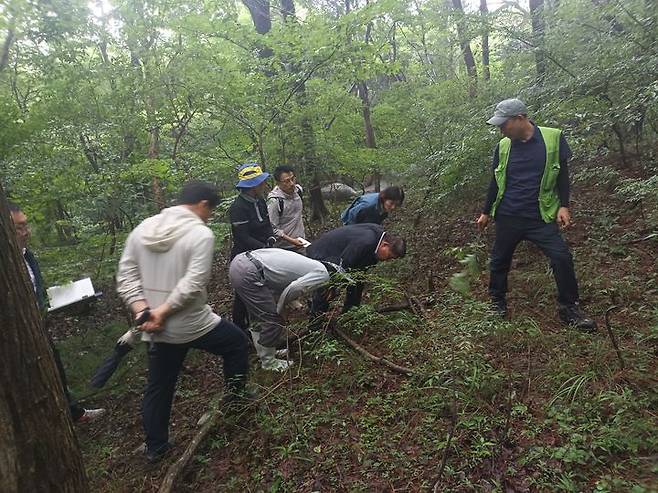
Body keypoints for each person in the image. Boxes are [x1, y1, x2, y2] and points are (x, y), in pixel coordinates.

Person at [116, 181, 250, 462]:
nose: (209, 216)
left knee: (159, 385)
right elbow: (193, 284)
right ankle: (237, 401)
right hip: (192, 323)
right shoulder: (200, 234)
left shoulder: (143, 228)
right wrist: (162, 312)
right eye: (210, 211)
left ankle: (156, 447)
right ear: (202, 204)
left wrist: (144, 311)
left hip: (157, 329)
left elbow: (126, 276)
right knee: (237, 343)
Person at [476, 98, 596, 330]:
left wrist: (564, 206)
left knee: (561, 258)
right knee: (499, 261)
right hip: (508, 216)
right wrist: (485, 212)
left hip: (539, 217)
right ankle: (497, 303)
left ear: (520, 119)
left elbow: (562, 175)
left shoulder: (553, 138)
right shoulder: (503, 146)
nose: (501, 130)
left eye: (504, 124)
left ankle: (569, 308)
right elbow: (495, 180)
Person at [8, 201, 106, 423]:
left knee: (55, 366)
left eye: (26, 226)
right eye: (19, 228)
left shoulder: (27, 256)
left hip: (37, 328)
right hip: (14, 340)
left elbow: (37, 291)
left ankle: (73, 412)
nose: (26, 232)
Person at [229, 248, 340, 371]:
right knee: (271, 320)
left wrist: (291, 302)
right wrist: (280, 311)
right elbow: (292, 288)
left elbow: (282, 282)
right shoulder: (323, 275)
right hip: (249, 272)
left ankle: (265, 354)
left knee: (258, 317)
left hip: (241, 263)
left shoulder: (311, 264)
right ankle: (269, 362)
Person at [307, 224, 406, 314]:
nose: (388, 260)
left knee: (355, 283)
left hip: (336, 257)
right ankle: (315, 326)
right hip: (323, 255)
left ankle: (349, 315)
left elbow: (358, 276)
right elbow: (343, 264)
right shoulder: (366, 242)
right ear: (385, 245)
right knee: (326, 292)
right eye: (389, 256)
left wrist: (353, 305)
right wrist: (331, 286)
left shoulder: (377, 240)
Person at [228, 164, 276, 331]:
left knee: (264, 288)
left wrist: (270, 238)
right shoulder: (237, 208)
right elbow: (242, 236)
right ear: (252, 186)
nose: (264, 185)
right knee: (242, 295)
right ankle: (240, 329)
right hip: (244, 256)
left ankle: (262, 324)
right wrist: (262, 247)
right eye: (261, 183)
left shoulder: (260, 201)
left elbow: (267, 223)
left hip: (263, 252)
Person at [267, 165, 307, 252]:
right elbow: (273, 229)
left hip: (301, 243)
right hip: (284, 248)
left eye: (292, 179)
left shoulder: (298, 191)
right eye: (287, 181)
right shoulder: (274, 201)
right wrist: (292, 241)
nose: (291, 183)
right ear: (278, 183)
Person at [340, 186, 405, 225]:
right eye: (391, 203)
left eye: (396, 205)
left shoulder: (383, 205)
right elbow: (352, 215)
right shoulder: (368, 205)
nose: (393, 207)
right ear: (384, 198)